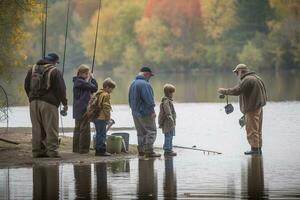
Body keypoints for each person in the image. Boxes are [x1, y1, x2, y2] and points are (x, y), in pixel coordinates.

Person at [25, 53, 68, 158]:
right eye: (56, 63)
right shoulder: (55, 71)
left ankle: (37, 151)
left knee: (36, 128)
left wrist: (32, 98)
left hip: (33, 102)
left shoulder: (32, 69)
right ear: (54, 62)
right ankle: (52, 152)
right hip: (49, 104)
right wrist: (65, 103)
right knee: (51, 128)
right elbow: (61, 90)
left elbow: (26, 86)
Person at [218, 64, 267, 155]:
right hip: (258, 107)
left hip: (252, 108)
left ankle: (255, 150)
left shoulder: (248, 79)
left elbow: (237, 91)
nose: (237, 75)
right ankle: (257, 149)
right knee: (257, 130)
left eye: (237, 72)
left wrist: (224, 91)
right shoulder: (256, 77)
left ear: (241, 71)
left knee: (251, 130)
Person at [129, 67, 161, 157]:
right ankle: (149, 151)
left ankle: (141, 151)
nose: (150, 78)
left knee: (141, 132)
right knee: (151, 131)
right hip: (145, 112)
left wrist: (133, 110)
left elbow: (130, 99)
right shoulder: (145, 84)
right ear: (146, 74)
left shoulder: (133, 83)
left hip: (135, 112)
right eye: (150, 76)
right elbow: (149, 99)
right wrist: (152, 111)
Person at [72, 64, 98, 154]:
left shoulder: (79, 82)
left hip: (78, 108)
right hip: (83, 108)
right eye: (86, 73)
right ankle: (83, 149)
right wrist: (93, 79)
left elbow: (92, 90)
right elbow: (95, 88)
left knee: (78, 128)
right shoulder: (80, 82)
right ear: (80, 73)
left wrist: (89, 80)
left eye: (88, 73)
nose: (87, 75)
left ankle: (76, 149)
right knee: (85, 129)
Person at [94, 77, 116, 156]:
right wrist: (108, 118)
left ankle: (97, 149)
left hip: (96, 116)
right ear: (107, 87)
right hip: (102, 117)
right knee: (102, 134)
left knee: (98, 134)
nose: (111, 91)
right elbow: (106, 108)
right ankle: (102, 151)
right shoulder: (106, 95)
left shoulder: (99, 93)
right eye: (111, 89)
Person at [158, 84, 177, 156]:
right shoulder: (166, 101)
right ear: (168, 93)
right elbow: (167, 110)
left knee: (170, 135)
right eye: (172, 93)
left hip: (170, 122)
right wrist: (170, 117)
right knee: (168, 135)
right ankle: (167, 150)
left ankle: (169, 148)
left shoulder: (168, 100)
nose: (172, 94)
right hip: (168, 122)